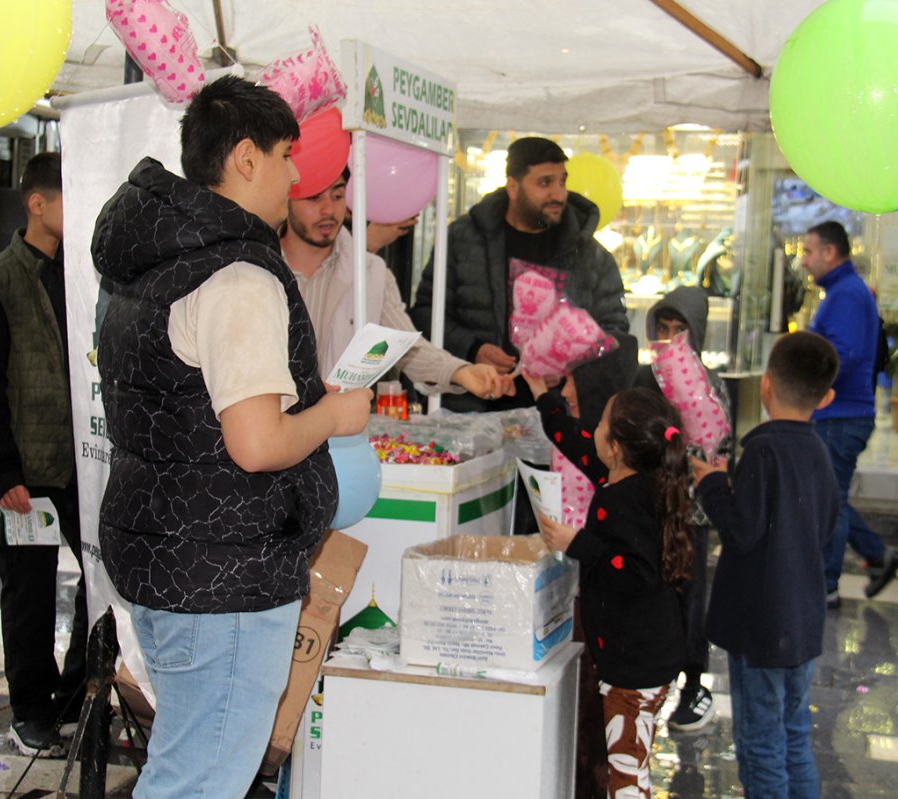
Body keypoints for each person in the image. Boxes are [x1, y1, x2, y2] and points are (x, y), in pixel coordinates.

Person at [91, 76, 372, 798]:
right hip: (226, 573)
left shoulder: (150, 259)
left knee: (182, 763)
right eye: (286, 155)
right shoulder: (238, 275)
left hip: (168, 556)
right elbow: (255, 442)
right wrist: (333, 418)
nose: (297, 175)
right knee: (199, 780)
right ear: (246, 159)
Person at [0, 152, 88, 758]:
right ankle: (30, 712)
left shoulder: (79, 276)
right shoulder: (2, 279)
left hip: (82, 467)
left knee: (100, 578)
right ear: (36, 203)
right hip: (29, 472)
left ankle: (73, 695)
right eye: (67, 196)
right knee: (30, 592)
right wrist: (2, 472)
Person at [691, 331, 842, 799]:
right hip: (803, 623)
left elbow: (742, 531)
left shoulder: (762, 449)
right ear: (828, 397)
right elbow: (828, 525)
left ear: (765, 386)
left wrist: (713, 484)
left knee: (759, 744)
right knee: (794, 734)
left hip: (761, 626)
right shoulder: (819, 451)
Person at [531, 384, 692, 799]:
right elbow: (575, 439)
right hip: (648, 659)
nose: (592, 430)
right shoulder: (630, 476)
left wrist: (577, 543)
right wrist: (545, 399)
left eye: (600, 423)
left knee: (627, 777)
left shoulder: (626, 499)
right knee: (631, 760)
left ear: (617, 447)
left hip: (633, 672)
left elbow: (637, 571)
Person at [410, 136, 628, 412]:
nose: (559, 194)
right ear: (512, 187)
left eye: (562, 181)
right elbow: (426, 312)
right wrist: (473, 348)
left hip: (557, 419)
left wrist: (570, 370)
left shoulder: (588, 254)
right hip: (472, 408)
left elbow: (614, 331)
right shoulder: (464, 239)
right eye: (545, 182)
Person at [281, 169, 513, 400]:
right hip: (267, 427)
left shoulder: (372, 273)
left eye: (338, 196)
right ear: (286, 198)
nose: (329, 210)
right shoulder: (259, 267)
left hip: (338, 431)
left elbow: (405, 347)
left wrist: (461, 372)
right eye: (314, 198)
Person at [635, 286, 733, 732]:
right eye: (663, 328)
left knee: (691, 600)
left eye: (680, 330)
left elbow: (722, 447)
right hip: (652, 509)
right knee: (654, 595)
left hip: (692, 515)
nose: (669, 338)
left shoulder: (711, 386)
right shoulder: (644, 380)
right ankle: (653, 678)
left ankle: (694, 683)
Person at [800, 221, 898, 608]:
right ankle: (878, 555)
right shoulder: (844, 291)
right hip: (839, 413)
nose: (804, 261)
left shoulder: (845, 295)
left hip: (839, 415)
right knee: (832, 496)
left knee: (831, 501)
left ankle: (826, 586)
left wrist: (807, 384)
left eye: (809, 251)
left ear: (830, 252)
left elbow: (842, 356)